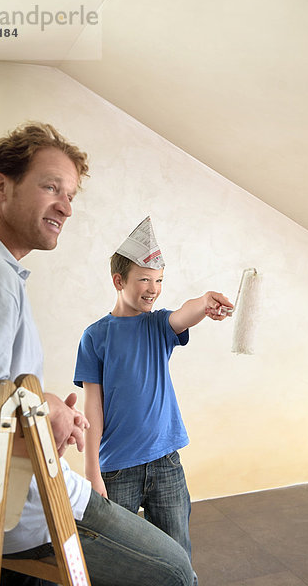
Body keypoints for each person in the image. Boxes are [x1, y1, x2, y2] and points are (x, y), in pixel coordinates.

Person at [0, 124, 194, 586]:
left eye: (70, 194)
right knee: (176, 570)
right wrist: (48, 413)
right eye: (50, 187)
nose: (65, 206)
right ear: (0, 185)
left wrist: (45, 403)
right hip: (27, 508)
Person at [73, 216, 233, 585]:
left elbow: (186, 312)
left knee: (177, 558)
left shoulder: (158, 325)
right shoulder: (95, 337)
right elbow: (91, 409)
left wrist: (206, 302)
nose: (153, 289)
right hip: (117, 471)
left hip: (166, 464)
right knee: (117, 560)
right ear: (119, 281)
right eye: (144, 279)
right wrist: (92, 472)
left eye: (159, 280)